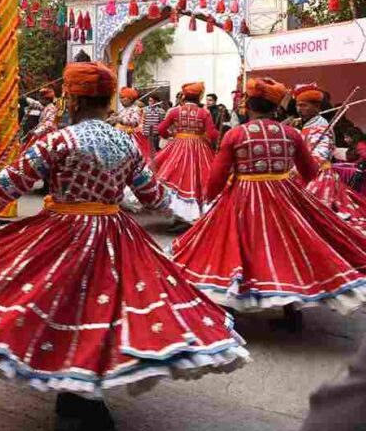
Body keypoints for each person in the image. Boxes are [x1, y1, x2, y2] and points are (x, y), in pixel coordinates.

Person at [0, 62, 248, 431]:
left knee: (59, 310)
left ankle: (85, 402)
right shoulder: (125, 142)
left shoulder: (60, 141)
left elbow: (16, 179)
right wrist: (179, 209)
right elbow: (153, 197)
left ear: (72, 100)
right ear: (108, 102)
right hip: (114, 234)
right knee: (102, 314)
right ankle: (78, 395)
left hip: (63, 232)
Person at [172, 78, 366, 331]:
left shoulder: (236, 134)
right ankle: (291, 311)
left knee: (235, 246)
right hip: (284, 196)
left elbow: (218, 174)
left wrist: (210, 196)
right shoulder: (292, 133)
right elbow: (309, 171)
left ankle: (229, 306)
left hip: (243, 196)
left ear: (247, 106)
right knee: (286, 247)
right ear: (276, 108)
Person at [295, 83, 366, 234]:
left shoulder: (321, 127)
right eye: (298, 105)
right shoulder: (309, 124)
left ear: (317, 107)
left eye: (304, 105)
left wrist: (300, 164)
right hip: (306, 172)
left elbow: (321, 155)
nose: (299, 109)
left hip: (319, 175)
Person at [155, 81, 218, 225]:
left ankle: (178, 215)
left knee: (176, 176)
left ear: (184, 96)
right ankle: (195, 215)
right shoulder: (204, 112)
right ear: (200, 96)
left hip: (178, 146)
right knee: (199, 178)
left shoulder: (175, 111)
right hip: (200, 148)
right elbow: (213, 134)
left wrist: (171, 135)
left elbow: (161, 129)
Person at [109, 87, 151, 162]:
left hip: (131, 138)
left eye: (123, 98)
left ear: (130, 98)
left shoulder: (135, 109)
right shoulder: (123, 110)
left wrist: (121, 120)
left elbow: (135, 122)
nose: (120, 100)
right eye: (120, 98)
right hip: (120, 137)